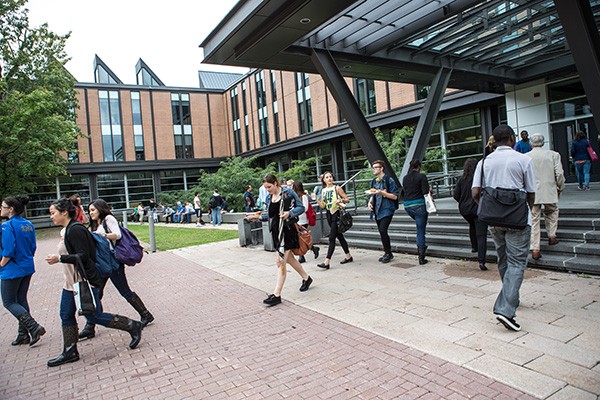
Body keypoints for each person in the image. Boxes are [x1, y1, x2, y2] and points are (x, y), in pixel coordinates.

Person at [45, 198, 143, 367]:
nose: (51, 217)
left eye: (53, 213)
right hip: (70, 282)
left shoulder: (75, 230)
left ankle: (132, 326)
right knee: (66, 314)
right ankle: (70, 351)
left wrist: (59, 258)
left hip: (82, 281)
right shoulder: (68, 229)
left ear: (64, 213)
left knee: (93, 314)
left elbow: (83, 256)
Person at [472, 124, 536, 332]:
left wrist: (489, 207)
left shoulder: (484, 162)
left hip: (494, 220)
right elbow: (531, 192)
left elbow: (475, 192)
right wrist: (527, 209)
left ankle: (512, 298)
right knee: (517, 262)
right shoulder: (524, 159)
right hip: (517, 218)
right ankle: (506, 309)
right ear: (511, 138)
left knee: (504, 259)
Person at [76, 198, 155, 341]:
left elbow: (117, 234)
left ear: (101, 209)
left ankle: (145, 315)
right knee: (97, 293)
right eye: (89, 211)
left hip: (113, 262)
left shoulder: (108, 219)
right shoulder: (95, 224)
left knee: (124, 291)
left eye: (93, 210)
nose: (91, 213)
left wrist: (103, 235)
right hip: (102, 263)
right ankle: (90, 326)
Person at [246, 173, 312, 306]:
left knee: (280, 261)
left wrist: (289, 213)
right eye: (266, 187)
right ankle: (306, 278)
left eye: (269, 187)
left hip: (287, 231)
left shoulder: (288, 193)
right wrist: (256, 217)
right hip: (276, 232)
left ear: (276, 183)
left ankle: (277, 294)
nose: (267, 190)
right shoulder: (270, 197)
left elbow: (301, 207)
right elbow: (271, 215)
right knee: (290, 260)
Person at [1, 196, 45, 347]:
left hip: (12, 269)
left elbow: (8, 250)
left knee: (8, 301)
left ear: (11, 209)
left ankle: (33, 327)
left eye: (3, 207)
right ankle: (23, 334)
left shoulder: (7, 226)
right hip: (27, 266)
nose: (1, 209)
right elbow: (33, 246)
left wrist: (1, 264)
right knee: (21, 299)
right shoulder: (28, 224)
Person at [527, 133, 565, 260]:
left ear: (530, 143)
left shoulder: (525, 157)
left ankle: (535, 248)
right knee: (552, 211)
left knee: (534, 218)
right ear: (543, 143)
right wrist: (560, 186)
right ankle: (552, 235)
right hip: (549, 189)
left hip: (532, 192)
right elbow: (559, 173)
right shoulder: (553, 155)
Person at [453, 158, 488, 270]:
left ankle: (474, 247)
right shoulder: (479, 179)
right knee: (481, 234)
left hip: (465, 210)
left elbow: (455, 195)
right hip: (478, 208)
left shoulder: (461, 180)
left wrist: (463, 203)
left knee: (472, 225)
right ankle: (481, 261)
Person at [316, 171, 353, 269]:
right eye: (327, 177)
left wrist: (340, 200)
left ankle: (327, 261)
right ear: (323, 180)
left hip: (336, 214)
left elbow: (347, 199)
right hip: (329, 213)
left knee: (332, 238)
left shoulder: (337, 188)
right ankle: (348, 256)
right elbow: (323, 205)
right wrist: (316, 199)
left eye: (330, 177)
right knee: (339, 236)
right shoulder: (323, 190)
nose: (329, 179)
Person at [367, 160, 399, 264]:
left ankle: (388, 253)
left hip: (387, 209)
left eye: (376, 167)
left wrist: (382, 193)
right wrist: (370, 203)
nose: (374, 169)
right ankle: (387, 252)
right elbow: (373, 194)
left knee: (383, 230)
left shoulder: (389, 180)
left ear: (382, 168)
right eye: (373, 167)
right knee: (381, 232)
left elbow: (395, 196)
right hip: (377, 209)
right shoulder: (374, 181)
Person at [402, 160, 431, 265]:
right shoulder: (421, 176)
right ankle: (421, 256)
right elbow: (425, 191)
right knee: (420, 230)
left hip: (408, 206)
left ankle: (421, 246)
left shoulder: (405, 178)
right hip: (419, 205)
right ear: (419, 167)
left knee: (419, 226)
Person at [292, 181, 320, 263]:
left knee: (302, 237)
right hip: (297, 219)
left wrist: (295, 211)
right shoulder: (294, 196)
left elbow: (305, 208)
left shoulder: (303, 196)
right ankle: (310, 250)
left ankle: (307, 252)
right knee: (300, 237)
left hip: (303, 220)